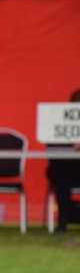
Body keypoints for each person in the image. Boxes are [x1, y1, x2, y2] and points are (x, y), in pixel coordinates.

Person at [45, 90, 80, 233]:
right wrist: (70, 145)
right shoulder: (58, 125)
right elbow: (51, 150)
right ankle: (63, 222)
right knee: (62, 179)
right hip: (64, 170)